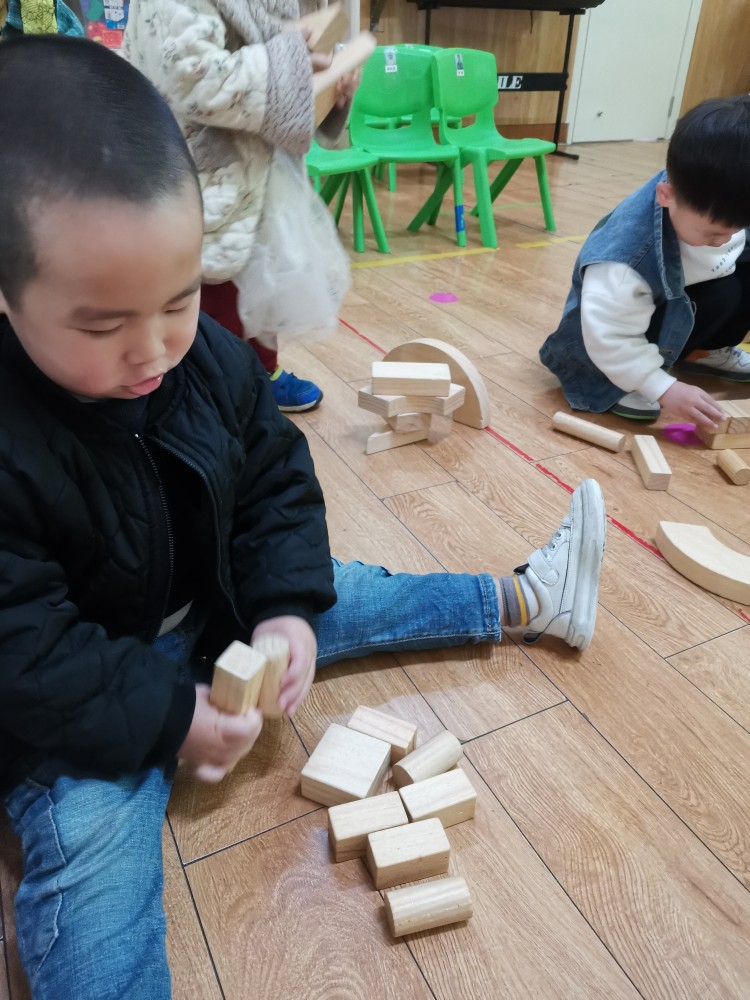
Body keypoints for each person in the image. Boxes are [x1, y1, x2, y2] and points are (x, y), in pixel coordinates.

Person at [0, 37, 606, 999]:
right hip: (76, 705)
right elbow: (23, 652)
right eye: (102, 325)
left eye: (179, 300)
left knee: (342, 593)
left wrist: (283, 607)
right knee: (96, 863)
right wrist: (170, 716)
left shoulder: (210, 360)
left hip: (210, 612)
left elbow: (275, 482)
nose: (152, 348)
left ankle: (524, 599)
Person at [123, 0, 358, 414]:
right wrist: (289, 67)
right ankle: (212, 392)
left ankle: (260, 374)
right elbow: (195, 79)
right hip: (196, 170)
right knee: (210, 290)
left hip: (257, 167)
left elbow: (278, 58)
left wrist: (322, 83)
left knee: (260, 278)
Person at [540, 95, 750, 429]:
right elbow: (608, 337)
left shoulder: (716, 197)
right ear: (666, 196)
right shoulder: (625, 260)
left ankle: (704, 352)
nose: (723, 240)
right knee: (620, 348)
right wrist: (662, 387)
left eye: (734, 230)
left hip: (674, 305)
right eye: (712, 233)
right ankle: (629, 380)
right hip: (605, 343)